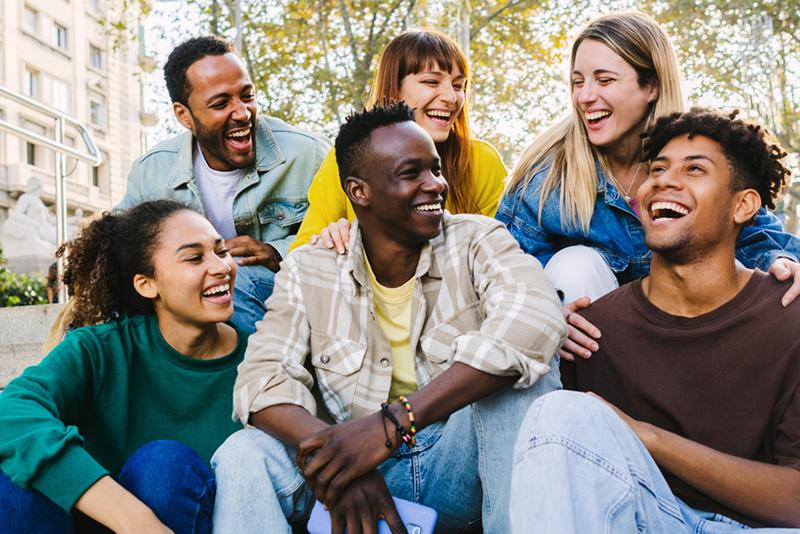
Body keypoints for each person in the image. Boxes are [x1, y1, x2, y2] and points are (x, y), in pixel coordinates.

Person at [211, 104, 566, 533]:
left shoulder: (478, 239)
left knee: (521, 388)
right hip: (357, 475)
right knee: (244, 452)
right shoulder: (310, 268)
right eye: (410, 173)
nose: (435, 185)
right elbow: (261, 379)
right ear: (359, 191)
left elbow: (535, 321)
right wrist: (343, 456)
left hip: (457, 466)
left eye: (434, 169)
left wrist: (392, 424)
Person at [510, 108, 800, 532]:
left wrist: (645, 437)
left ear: (743, 205)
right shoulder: (590, 331)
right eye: (657, 168)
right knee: (557, 411)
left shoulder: (788, 317)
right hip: (642, 519)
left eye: (694, 169)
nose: (664, 180)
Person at [495, 11, 800, 360]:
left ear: (651, 86)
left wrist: (783, 263)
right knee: (575, 264)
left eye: (604, 80)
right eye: (578, 81)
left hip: (688, 335)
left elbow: (756, 235)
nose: (585, 97)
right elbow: (503, 271)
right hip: (591, 354)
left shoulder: (699, 152)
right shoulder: (548, 177)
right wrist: (546, 316)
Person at [0, 200, 247, 533]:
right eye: (195, 257)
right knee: (17, 475)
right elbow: (11, 412)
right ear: (147, 284)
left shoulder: (262, 360)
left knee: (164, 466)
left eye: (222, 251)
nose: (221, 267)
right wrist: (133, 519)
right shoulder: (99, 349)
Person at [118, 36, 329, 334]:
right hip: (188, 305)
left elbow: (354, 233)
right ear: (184, 115)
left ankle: (258, 379)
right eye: (221, 103)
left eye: (247, 96)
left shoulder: (308, 154)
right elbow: (115, 246)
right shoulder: (151, 172)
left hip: (287, 296)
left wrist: (277, 251)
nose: (242, 113)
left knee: (233, 278)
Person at [289, 29, 507, 253]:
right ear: (395, 89)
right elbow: (300, 254)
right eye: (431, 82)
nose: (451, 98)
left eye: (458, 85)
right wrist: (328, 240)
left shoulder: (481, 160)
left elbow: (502, 250)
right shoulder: (346, 159)